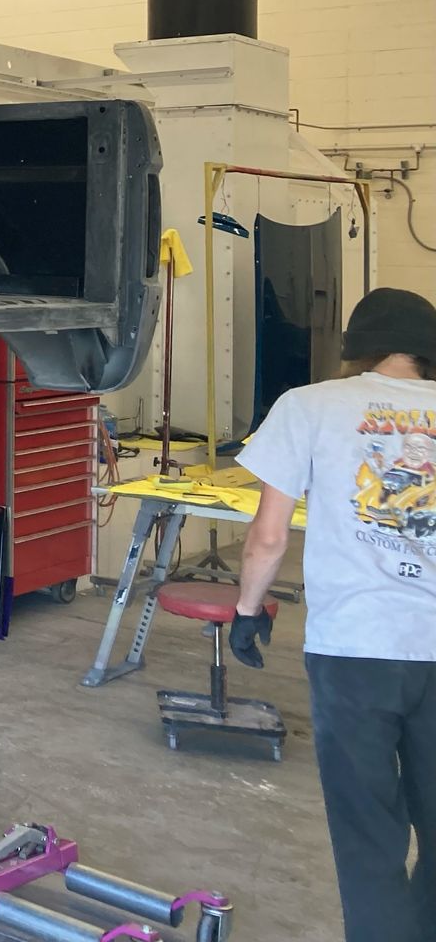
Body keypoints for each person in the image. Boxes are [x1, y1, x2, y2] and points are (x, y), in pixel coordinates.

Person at [236, 287, 436, 942]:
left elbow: (269, 536)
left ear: (359, 347)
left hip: (354, 649)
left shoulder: (310, 406)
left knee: (368, 836)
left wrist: (247, 610)